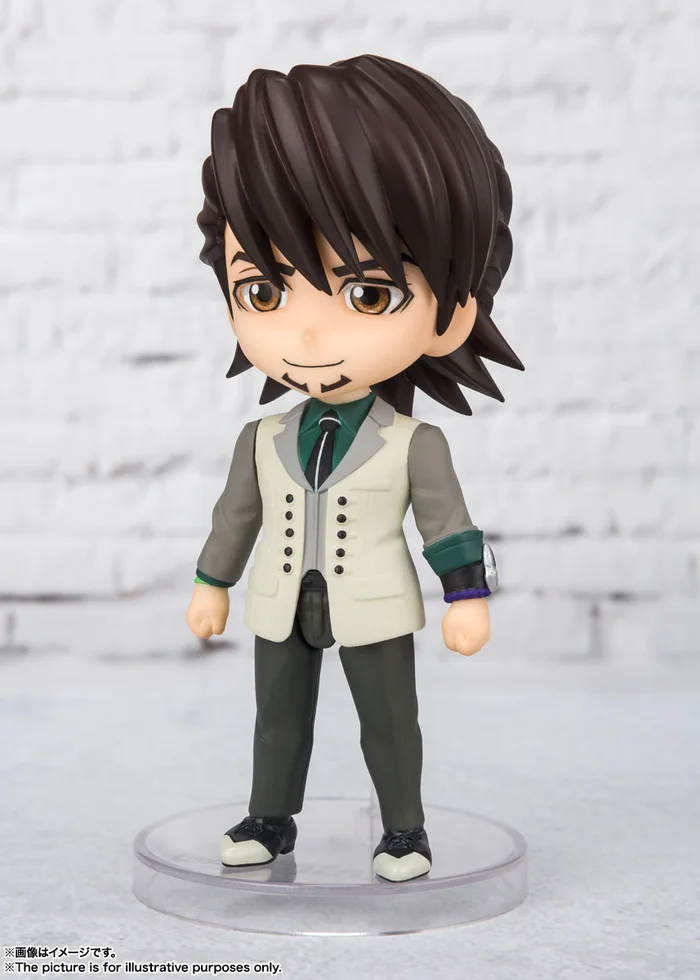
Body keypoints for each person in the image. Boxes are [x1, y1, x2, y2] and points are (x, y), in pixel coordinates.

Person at [185, 54, 523, 882]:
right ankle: (270, 816)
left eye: (368, 295)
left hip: (372, 601)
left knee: (389, 719)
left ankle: (403, 829)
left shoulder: (412, 443)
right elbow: (236, 517)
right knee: (277, 717)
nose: (308, 337)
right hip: (280, 600)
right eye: (264, 292)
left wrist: (467, 598)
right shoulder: (262, 439)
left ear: (453, 316)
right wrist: (210, 583)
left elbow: (446, 524)